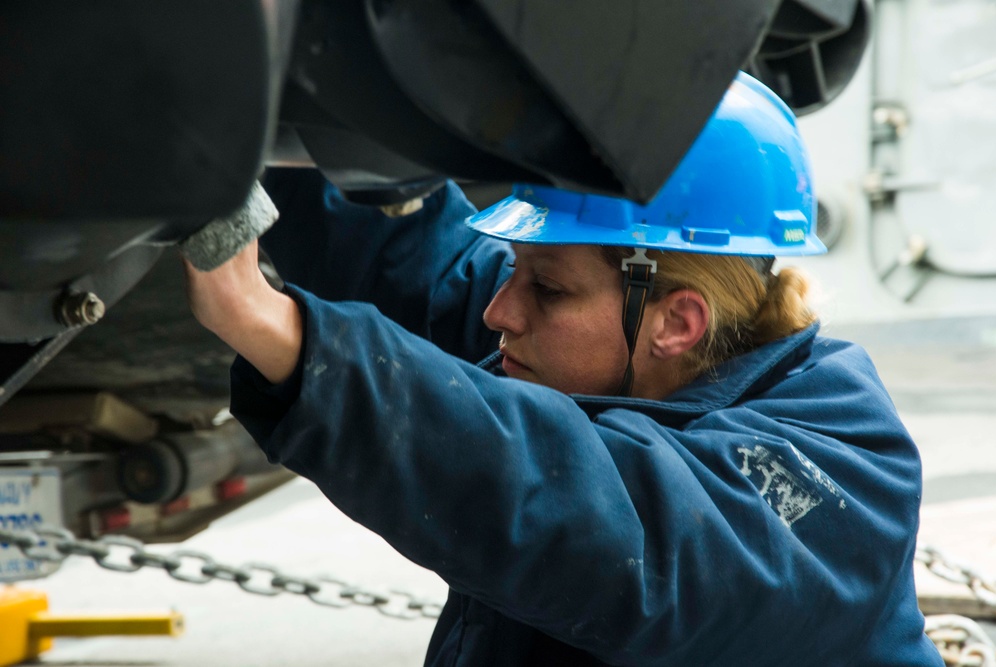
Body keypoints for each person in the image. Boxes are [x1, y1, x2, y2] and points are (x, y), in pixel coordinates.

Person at [185, 73, 942, 665]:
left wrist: (274, 326)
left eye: (546, 287)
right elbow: (423, 264)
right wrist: (234, 97)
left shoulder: (838, 477)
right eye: (516, 269)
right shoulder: (602, 345)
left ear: (679, 320)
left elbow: (589, 513)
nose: (499, 312)